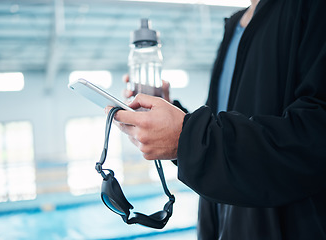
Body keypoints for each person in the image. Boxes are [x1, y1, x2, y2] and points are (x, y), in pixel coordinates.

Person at [107, 0, 326, 239]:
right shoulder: (235, 26)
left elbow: (314, 138)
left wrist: (188, 138)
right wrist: (177, 118)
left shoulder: (311, 8)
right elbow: (223, 128)